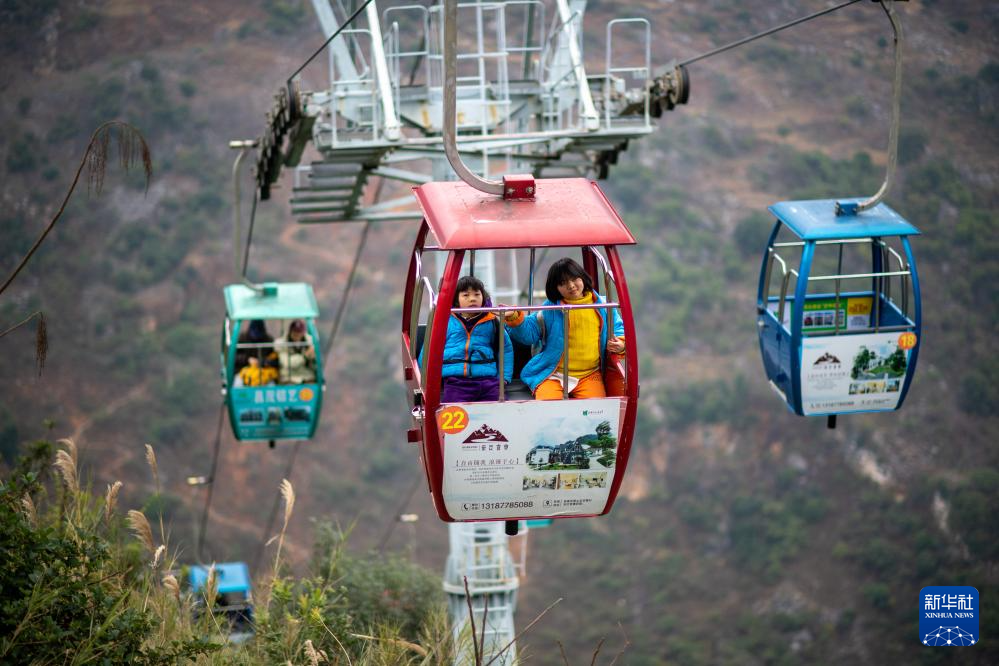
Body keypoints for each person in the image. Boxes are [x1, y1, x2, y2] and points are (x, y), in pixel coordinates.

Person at [504, 257, 624, 400]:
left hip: (589, 374)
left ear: (583, 278)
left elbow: (618, 329)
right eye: (563, 283)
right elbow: (529, 333)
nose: (571, 285)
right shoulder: (551, 309)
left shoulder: (603, 306)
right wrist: (514, 317)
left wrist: (621, 344)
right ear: (556, 288)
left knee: (595, 409)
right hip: (553, 373)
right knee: (549, 403)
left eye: (574, 279)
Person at [421, 275, 513, 402]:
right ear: (456, 300)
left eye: (477, 294)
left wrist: (504, 378)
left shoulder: (492, 321)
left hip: (488, 380)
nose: (472, 299)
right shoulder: (445, 321)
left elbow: (505, 349)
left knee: (500, 406)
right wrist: (425, 378)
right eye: (466, 295)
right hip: (457, 381)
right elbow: (428, 349)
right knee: (454, 409)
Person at [235, 319, 279, 386]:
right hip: (244, 372)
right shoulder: (242, 338)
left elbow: (274, 360)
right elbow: (235, 357)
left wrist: (262, 362)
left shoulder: (268, 340)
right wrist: (247, 360)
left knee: (271, 385)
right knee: (238, 384)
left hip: (263, 373)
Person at [276, 319, 316, 384]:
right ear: (290, 332)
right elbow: (287, 363)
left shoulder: (310, 342)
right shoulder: (282, 344)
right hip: (289, 376)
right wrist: (304, 356)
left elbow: (316, 365)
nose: (297, 336)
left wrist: (313, 357)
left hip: (307, 376)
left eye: (299, 333)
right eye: (295, 333)